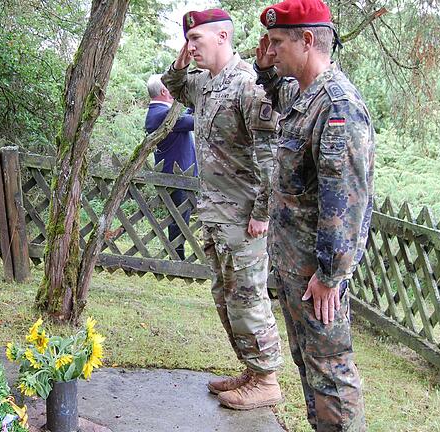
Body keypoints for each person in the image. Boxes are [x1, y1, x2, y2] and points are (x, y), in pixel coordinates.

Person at [253, 0, 374, 430]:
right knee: (310, 369)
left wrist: (329, 276)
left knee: (332, 375)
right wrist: (265, 66)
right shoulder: (303, 94)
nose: (272, 48)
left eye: (279, 41)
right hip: (294, 267)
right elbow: (272, 91)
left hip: (316, 277)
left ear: (307, 40)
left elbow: (346, 203)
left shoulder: (337, 107)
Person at [162, 8, 284, 410]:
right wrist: (179, 64)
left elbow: (269, 158)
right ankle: (251, 370)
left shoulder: (247, 85)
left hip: (244, 217)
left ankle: (266, 380)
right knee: (227, 297)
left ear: (223, 37)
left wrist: (262, 213)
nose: (190, 46)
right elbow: (173, 86)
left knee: (248, 297)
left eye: (197, 39)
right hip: (215, 214)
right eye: (188, 39)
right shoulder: (205, 85)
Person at [145, 74, 198, 260]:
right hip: (176, 175)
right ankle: (177, 256)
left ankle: (177, 254)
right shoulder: (161, 114)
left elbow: (185, 118)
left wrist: (192, 102)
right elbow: (193, 122)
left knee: (180, 216)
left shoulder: (160, 112)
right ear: (164, 91)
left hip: (179, 174)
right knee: (178, 217)